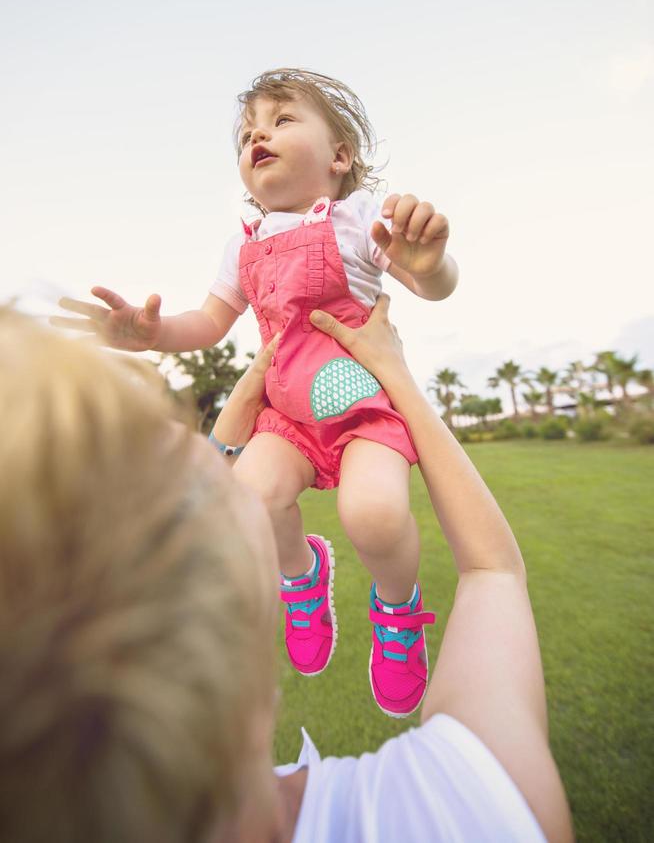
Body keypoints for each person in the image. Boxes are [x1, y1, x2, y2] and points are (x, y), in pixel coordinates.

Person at [0, 300, 573, 842]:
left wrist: (237, 412)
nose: (218, 449)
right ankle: (387, 606)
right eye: (189, 458)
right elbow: (491, 570)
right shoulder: (463, 811)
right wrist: (395, 374)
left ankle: (309, 576)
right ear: (227, 604)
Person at [52, 68, 459, 717]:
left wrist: (430, 264)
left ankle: (397, 612)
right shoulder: (242, 247)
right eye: (247, 133)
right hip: (287, 420)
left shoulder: (356, 220)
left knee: (374, 515)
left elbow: (431, 286)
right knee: (250, 501)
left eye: (281, 121)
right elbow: (209, 324)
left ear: (339, 157)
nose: (257, 136)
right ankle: (304, 578)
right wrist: (152, 334)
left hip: (363, 413)